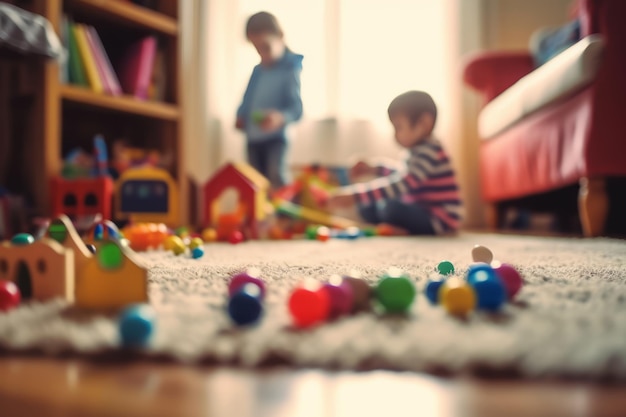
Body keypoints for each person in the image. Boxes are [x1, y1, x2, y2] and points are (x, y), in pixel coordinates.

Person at [326, 91, 462, 235]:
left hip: (438, 219)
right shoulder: (416, 151)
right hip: (418, 209)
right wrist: (372, 169)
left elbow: (402, 183)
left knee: (389, 207)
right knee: (368, 205)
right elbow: (401, 173)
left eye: (399, 127)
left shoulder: (430, 152)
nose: (395, 135)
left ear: (424, 123)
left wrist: (355, 195)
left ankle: (403, 229)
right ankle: (397, 228)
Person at [235, 11, 303, 190]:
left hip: (276, 139)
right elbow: (247, 98)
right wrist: (240, 115)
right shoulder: (258, 71)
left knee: (276, 176)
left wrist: (279, 118)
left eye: (265, 47)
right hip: (253, 137)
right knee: (254, 181)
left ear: (280, 37)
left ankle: (284, 216)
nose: (262, 54)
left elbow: (297, 109)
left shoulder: (289, 69)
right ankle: (260, 217)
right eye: (257, 49)